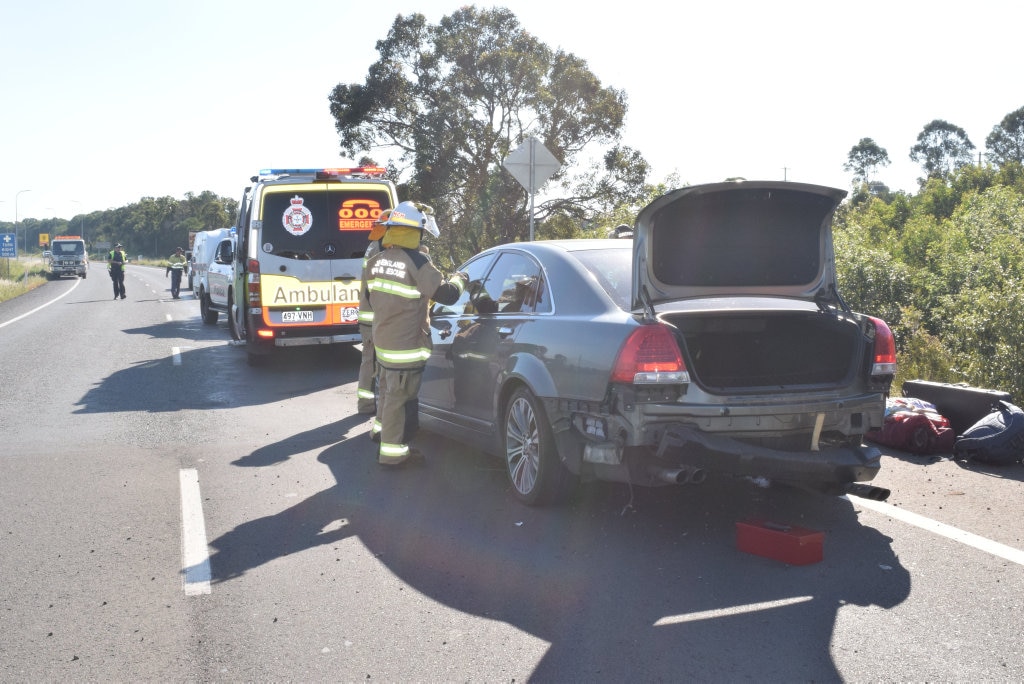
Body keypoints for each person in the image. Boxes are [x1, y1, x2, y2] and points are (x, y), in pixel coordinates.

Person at [365, 201, 468, 467]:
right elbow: (447, 294)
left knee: (389, 394)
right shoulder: (417, 261)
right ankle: (394, 455)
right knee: (400, 401)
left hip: (384, 343)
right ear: (415, 232)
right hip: (406, 346)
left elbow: (370, 297)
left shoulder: (375, 261)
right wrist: (461, 278)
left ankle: (385, 440)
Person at [355, 215, 389, 415]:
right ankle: (367, 405)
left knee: (369, 360)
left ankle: (367, 403)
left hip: (370, 316)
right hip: (374, 317)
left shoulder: (375, 245)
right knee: (373, 361)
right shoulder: (380, 249)